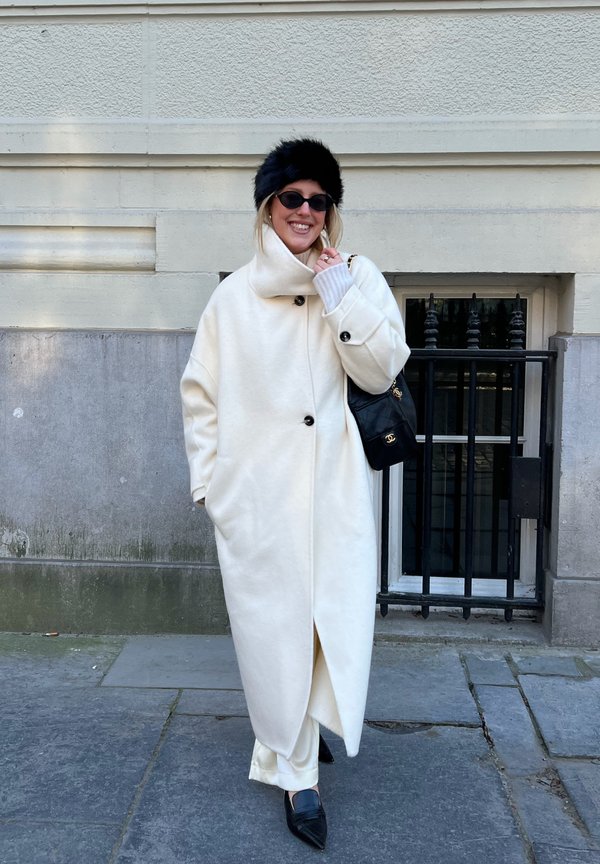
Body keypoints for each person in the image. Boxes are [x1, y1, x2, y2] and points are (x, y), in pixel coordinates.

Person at [180, 138, 410, 850]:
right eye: (291, 198)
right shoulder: (232, 298)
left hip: (333, 494)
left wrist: (340, 300)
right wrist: (211, 489)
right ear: (267, 208)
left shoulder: (357, 277)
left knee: (327, 622)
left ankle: (306, 736)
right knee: (276, 639)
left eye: (318, 200)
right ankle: (294, 772)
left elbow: (383, 371)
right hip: (258, 505)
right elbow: (200, 397)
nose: (305, 211)